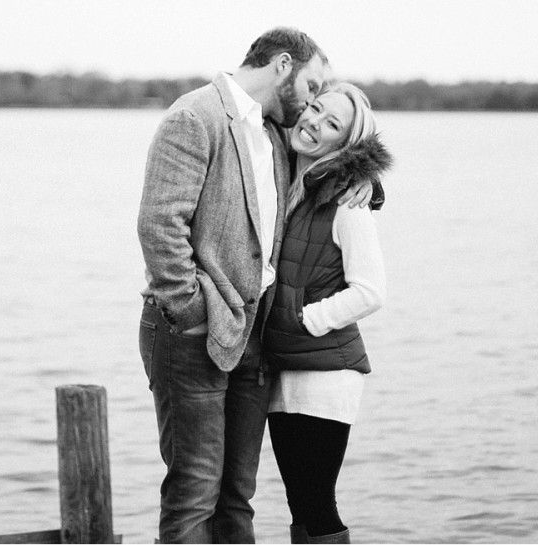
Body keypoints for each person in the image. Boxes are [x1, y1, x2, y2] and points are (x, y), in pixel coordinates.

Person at [137, 28, 332, 544]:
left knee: (237, 496)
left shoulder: (276, 134)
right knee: (195, 490)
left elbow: (339, 152)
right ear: (283, 65)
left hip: (254, 335)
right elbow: (160, 226)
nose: (315, 103)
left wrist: (365, 179)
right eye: (313, 86)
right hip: (193, 330)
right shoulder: (194, 116)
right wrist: (193, 311)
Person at [262, 83, 391, 545]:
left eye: (332, 123)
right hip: (286, 367)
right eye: (314, 108)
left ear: (344, 145)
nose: (314, 122)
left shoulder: (348, 204)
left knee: (317, 503)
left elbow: (371, 291)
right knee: (300, 504)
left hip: (326, 373)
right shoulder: (289, 185)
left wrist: (305, 320)